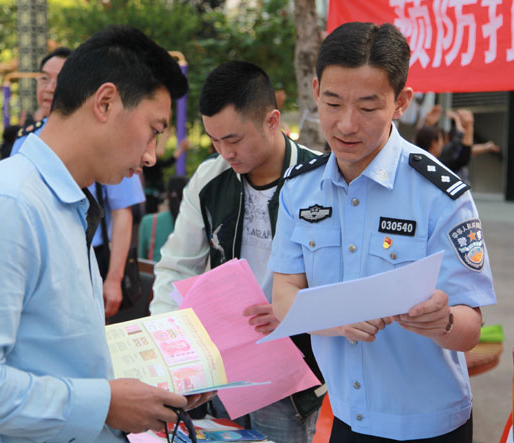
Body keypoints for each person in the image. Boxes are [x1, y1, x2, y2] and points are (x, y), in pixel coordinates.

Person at [0, 25, 212, 442]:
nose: (151, 156)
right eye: (154, 129)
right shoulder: (6, 208)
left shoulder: (67, 204)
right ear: (105, 102)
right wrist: (105, 404)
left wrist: (151, 386)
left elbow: (57, 355)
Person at [270, 22, 496, 442]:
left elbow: (470, 330)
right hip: (346, 419)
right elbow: (283, 296)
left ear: (400, 103)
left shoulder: (439, 195)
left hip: (429, 427)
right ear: (316, 91)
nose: (346, 124)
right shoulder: (299, 190)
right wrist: (339, 317)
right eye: (333, 103)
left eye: (368, 107)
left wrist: (443, 320)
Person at [150, 60, 326, 443]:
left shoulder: (320, 180)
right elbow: (177, 265)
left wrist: (297, 313)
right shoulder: (211, 178)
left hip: (288, 375)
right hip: (220, 366)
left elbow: (344, 278)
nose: (224, 152)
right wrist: (165, 344)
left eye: (233, 139)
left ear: (272, 120)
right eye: (214, 140)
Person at [10, 46, 145, 318]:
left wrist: (114, 278)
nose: (49, 88)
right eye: (43, 78)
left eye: (58, 79)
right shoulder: (25, 140)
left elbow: (122, 213)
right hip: (40, 260)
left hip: (90, 257)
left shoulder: (103, 139)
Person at [138, 175, 189, 262]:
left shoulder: (148, 222)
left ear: (167, 196)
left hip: (155, 270)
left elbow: (142, 259)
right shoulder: (198, 223)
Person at [143, 130, 189, 213]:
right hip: (153, 194)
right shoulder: (150, 161)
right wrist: (181, 149)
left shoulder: (146, 159)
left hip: (151, 193)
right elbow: (168, 162)